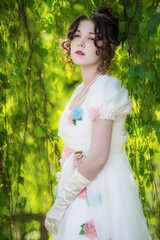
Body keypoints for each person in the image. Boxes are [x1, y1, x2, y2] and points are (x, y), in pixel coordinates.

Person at [45, 5, 151, 240]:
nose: (80, 43)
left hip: (101, 191)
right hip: (79, 189)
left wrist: (62, 202)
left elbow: (99, 155)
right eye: (76, 36)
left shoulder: (107, 87)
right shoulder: (79, 91)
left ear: (106, 48)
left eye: (91, 38)